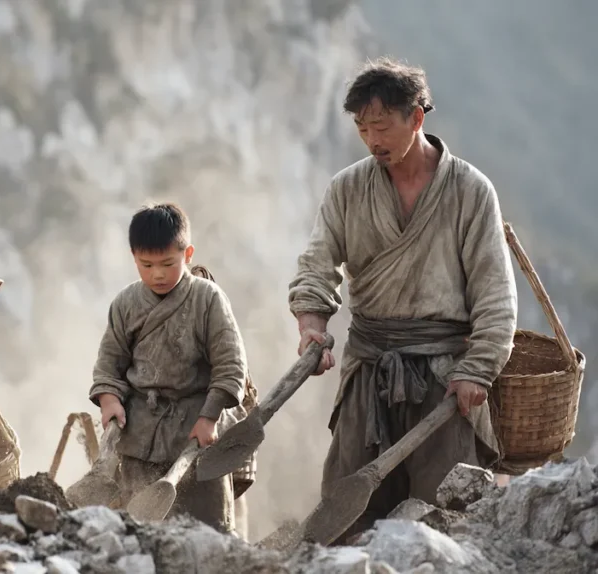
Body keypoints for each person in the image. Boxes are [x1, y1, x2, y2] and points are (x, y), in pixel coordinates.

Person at [288, 58, 517, 540]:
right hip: (370, 370)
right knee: (345, 517)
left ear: (416, 118)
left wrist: (478, 368)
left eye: (382, 125)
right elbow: (317, 264)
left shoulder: (470, 191)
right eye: (362, 127)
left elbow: (496, 294)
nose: (372, 139)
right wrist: (312, 324)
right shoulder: (348, 189)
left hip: (444, 379)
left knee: (447, 522)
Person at [90, 202, 248, 533]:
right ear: (133, 257)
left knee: (209, 528)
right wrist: (110, 400)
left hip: (196, 429)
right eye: (146, 265)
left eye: (167, 263)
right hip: (140, 432)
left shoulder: (208, 299)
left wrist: (209, 417)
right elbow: (109, 363)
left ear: (187, 253)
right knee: (142, 526)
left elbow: (231, 364)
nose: (157, 274)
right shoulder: (125, 304)